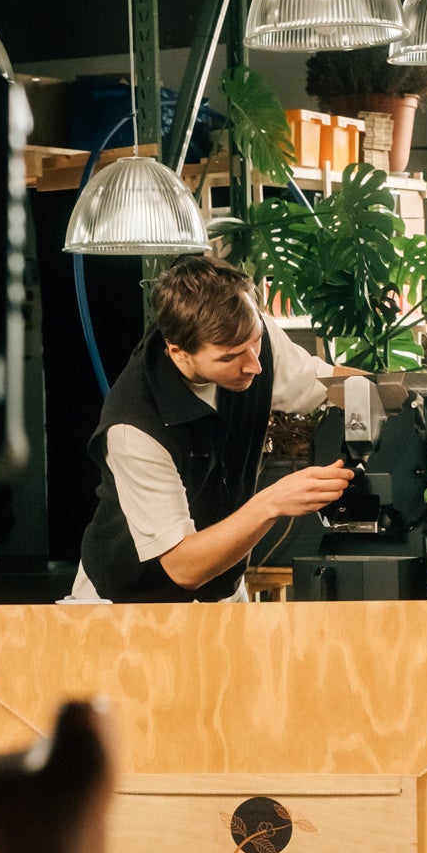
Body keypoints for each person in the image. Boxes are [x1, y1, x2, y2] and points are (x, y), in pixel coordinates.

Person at [72, 254, 357, 603]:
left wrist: (407, 391)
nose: (254, 365)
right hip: (128, 602)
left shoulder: (248, 338)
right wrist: (271, 503)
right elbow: (183, 567)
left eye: (255, 343)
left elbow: (327, 384)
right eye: (229, 357)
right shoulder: (134, 427)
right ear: (178, 352)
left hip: (221, 588)